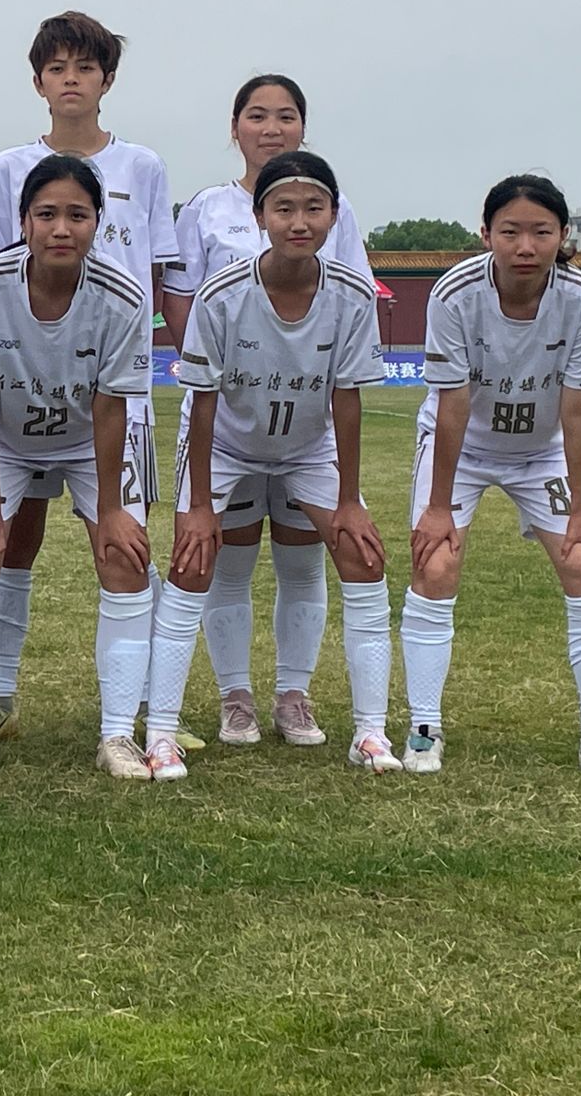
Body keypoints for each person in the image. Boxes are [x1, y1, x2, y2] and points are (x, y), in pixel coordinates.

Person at [402, 176, 581, 781]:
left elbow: (579, 407)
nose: (525, 246)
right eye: (510, 231)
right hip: (462, 449)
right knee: (436, 565)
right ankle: (423, 729)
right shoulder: (454, 294)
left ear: (563, 235)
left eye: (541, 232)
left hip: (541, 453)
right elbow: (452, 403)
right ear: (485, 233)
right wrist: (438, 508)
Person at [0, 10, 178, 745]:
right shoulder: (7, 168)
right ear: (38, 82)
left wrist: (151, 354)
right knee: (12, 539)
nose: (71, 81)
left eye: (85, 68)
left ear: (106, 80)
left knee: (123, 541)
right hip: (25, 387)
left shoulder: (143, 166)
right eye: (56, 69)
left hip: (114, 388)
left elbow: (158, 277)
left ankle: (146, 707)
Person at [159, 152, 399, 777]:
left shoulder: (351, 293)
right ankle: (188, 718)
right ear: (259, 215)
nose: (299, 222)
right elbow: (203, 401)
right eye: (284, 208)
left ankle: (358, 726)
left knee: (358, 556)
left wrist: (348, 500)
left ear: (334, 216)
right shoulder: (222, 293)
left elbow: (348, 396)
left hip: (308, 448)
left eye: (314, 208)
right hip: (227, 444)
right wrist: (200, 505)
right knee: (198, 563)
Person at [0, 156, 161, 782]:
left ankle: (117, 734)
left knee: (124, 558)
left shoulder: (125, 296)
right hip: (7, 440)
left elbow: (113, 405)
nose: (61, 228)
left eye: (77, 215)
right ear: (23, 222)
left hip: (91, 441)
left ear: (97, 223)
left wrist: (112, 510)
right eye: (46, 214)